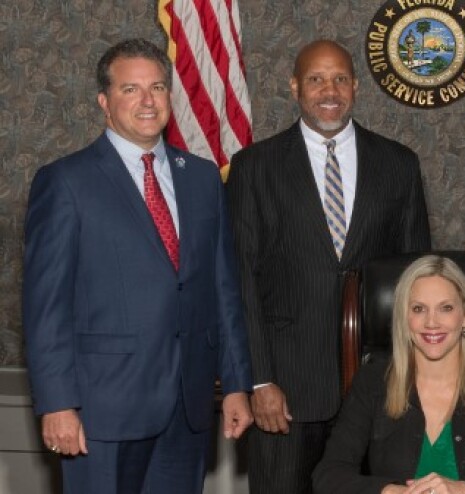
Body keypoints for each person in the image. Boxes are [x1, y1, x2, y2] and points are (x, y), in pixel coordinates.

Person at [22, 38, 253, 494]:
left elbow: (223, 289)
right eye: (131, 89)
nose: (147, 101)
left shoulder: (203, 178)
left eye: (158, 87)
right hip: (101, 409)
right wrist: (57, 404)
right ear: (104, 102)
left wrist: (237, 383)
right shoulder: (66, 182)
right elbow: (45, 306)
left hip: (187, 406)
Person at [226, 39, 431, 493]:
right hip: (286, 388)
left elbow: (420, 285)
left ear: (356, 86)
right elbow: (239, 281)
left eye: (340, 78)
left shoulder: (399, 164)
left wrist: (419, 378)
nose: (329, 90)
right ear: (295, 86)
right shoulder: (254, 167)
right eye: (316, 79)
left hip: (381, 387)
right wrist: (258, 380)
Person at [312, 255, 465, 493]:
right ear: (404, 318)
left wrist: (464, 490)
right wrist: (391, 492)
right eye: (419, 309)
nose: (432, 322)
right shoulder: (372, 383)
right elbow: (328, 476)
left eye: (446, 308)